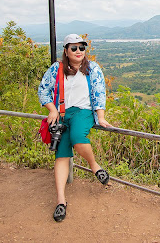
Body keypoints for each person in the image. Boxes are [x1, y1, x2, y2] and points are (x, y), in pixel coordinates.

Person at [38, 33, 111, 222]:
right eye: (74, 48)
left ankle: (95, 167)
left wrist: (101, 117)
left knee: (78, 138)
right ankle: (61, 201)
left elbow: (99, 92)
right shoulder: (57, 69)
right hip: (62, 114)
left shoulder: (92, 68)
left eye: (82, 47)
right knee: (61, 155)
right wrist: (52, 109)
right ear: (66, 51)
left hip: (83, 112)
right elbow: (43, 90)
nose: (79, 51)